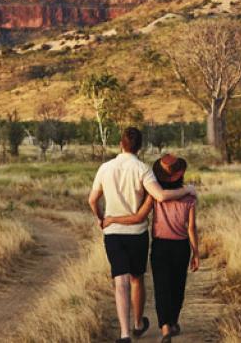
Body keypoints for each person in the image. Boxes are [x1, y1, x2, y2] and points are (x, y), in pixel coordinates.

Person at [87, 127, 195, 343]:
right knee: (137, 279)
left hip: (113, 233)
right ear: (140, 146)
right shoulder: (143, 169)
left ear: (121, 143)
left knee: (120, 281)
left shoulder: (105, 168)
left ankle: (125, 333)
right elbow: (161, 196)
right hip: (137, 234)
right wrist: (187, 190)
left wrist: (101, 218)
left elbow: (92, 200)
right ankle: (138, 323)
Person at [105, 154, 200, 341]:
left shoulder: (155, 197)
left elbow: (139, 217)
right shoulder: (189, 197)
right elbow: (191, 228)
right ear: (180, 174)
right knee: (177, 286)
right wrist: (196, 253)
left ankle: (164, 328)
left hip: (160, 246)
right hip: (181, 247)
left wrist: (113, 219)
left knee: (161, 287)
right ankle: (172, 322)